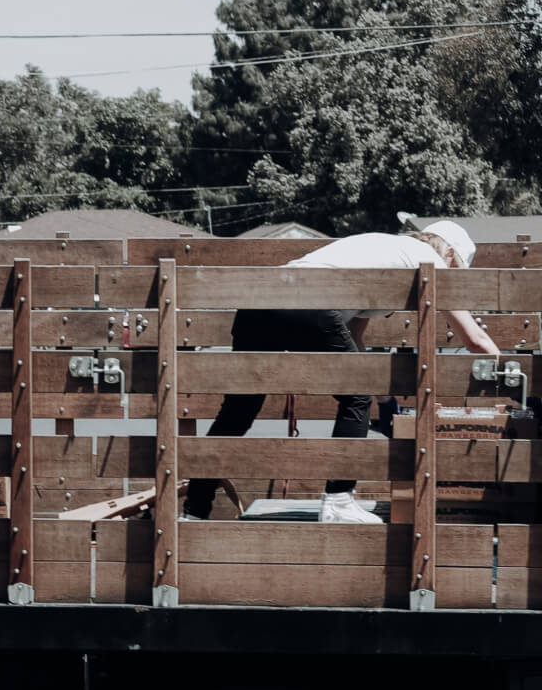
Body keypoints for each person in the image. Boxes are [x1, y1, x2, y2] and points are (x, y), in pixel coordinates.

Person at [182, 221, 501, 524]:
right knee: (356, 393)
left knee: (238, 410)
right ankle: (338, 500)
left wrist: (384, 396)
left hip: (258, 303)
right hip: (307, 300)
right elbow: (475, 340)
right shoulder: (431, 262)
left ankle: (193, 511)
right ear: (450, 255)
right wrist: (515, 380)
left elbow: (355, 335)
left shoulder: (387, 249)